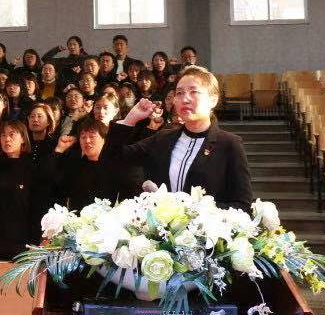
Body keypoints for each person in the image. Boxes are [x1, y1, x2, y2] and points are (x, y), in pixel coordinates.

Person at [104, 65, 253, 211]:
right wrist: (130, 120)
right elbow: (112, 159)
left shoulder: (229, 144)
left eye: (193, 92)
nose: (185, 99)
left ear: (213, 100)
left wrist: (193, 210)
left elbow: (242, 205)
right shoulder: (163, 139)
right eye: (180, 93)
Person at [0, 121, 59, 260]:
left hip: (22, 241)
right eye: (3, 135)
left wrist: (35, 241)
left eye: (12, 134)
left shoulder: (32, 168)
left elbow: (38, 207)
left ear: (23, 139)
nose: (7, 139)